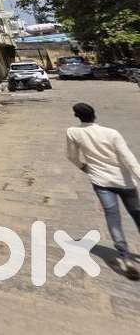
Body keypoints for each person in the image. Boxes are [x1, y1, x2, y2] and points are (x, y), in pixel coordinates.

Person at [66, 102, 140, 280]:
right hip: (124, 181)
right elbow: (129, 158)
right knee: (137, 214)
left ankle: (124, 255)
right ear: (94, 114)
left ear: (76, 116)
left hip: (100, 181)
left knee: (112, 216)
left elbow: (71, 156)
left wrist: (84, 167)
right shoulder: (111, 133)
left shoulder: (73, 132)